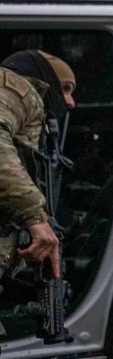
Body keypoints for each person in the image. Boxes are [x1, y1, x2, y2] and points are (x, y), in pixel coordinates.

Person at [0, 50, 76, 289]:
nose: (71, 102)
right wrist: (35, 217)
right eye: (64, 88)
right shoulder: (16, 88)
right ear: (45, 77)